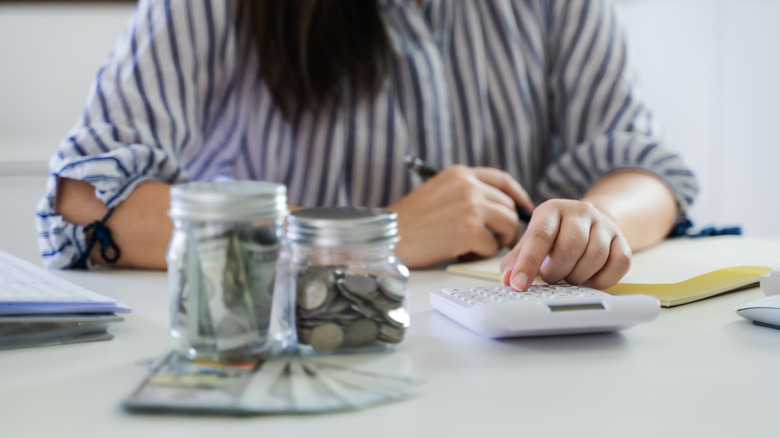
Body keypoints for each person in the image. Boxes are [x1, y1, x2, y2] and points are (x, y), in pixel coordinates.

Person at [36, 0, 698, 292]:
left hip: (502, 364)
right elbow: (86, 204)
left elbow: (640, 165)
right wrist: (367, 238)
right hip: (273, 358)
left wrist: (595, 223)